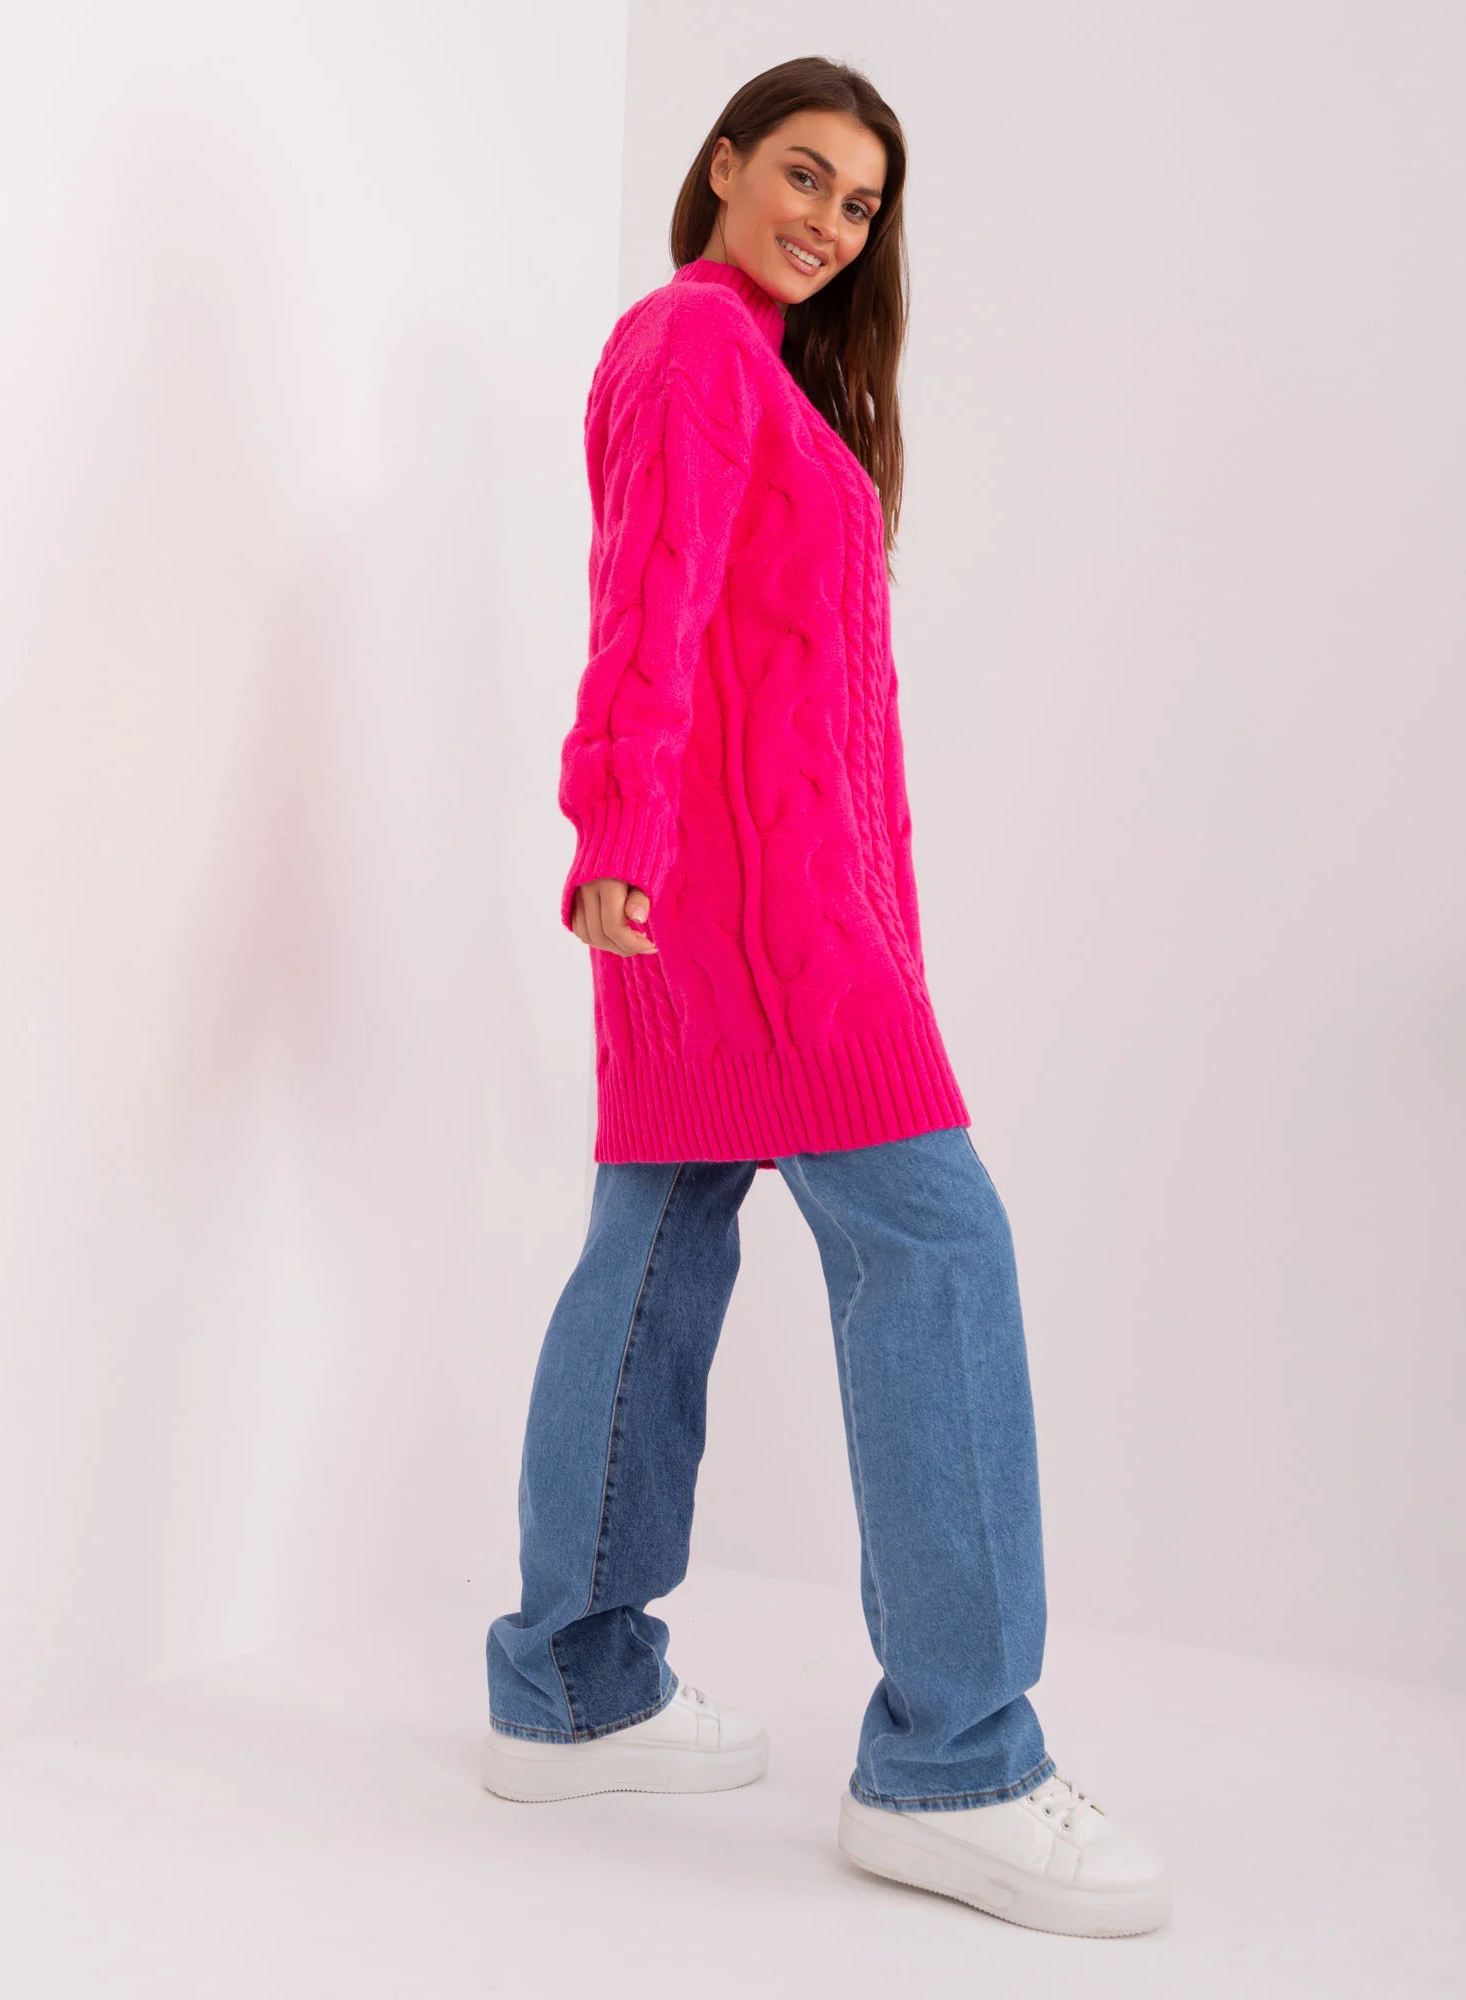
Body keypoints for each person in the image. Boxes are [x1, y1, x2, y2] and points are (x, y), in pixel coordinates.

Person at [482, 56, 1173, 1940]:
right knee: (940, 1250)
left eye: (860, 204)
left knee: (650, 1255)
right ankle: (961, 1763)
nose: (829, 222)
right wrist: (618, 826)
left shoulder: (756, 369)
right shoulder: (698, 348)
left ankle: (573, 1683)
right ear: (721, 165)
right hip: (757, 921)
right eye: (802, 175)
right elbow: (647, 600)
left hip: (735, 909)